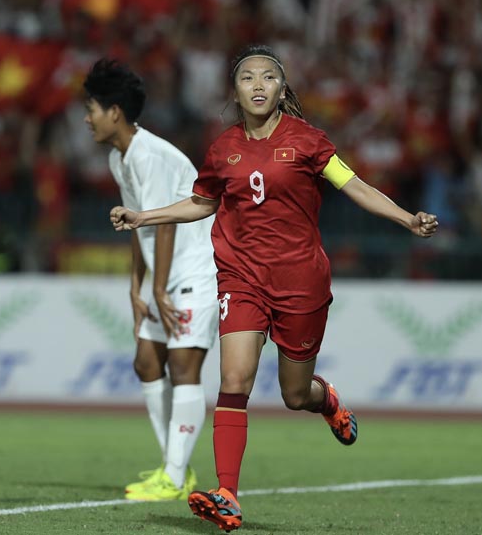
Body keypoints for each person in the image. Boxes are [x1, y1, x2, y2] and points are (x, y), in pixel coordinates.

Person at [109, 44, 439, 530]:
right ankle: (227, 493)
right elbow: (201, 204)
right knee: (234, 381)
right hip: (241, 277)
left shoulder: (309, 141)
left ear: (282, 90)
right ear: (236, 91)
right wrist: (143, 216)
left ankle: (326, 403)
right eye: (248, 78)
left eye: (268, 77)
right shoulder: (223, 148)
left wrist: (408, 219)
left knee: (294, 393)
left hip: (300, 282)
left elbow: (356, 187)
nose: (258, 85)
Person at [83, 59, 219, 501]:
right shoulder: (118, 158)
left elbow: (164, 224)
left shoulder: (150, 155)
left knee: (183, 367)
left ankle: (175, 475)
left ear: (115, 112)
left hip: (194, 268)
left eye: (92, 109)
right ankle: (174, 467)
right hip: (164, 272)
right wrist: (135, 287)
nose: (87, 118)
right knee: (146, 361)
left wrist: (157, 289)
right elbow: (136, 224)